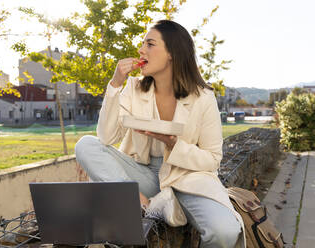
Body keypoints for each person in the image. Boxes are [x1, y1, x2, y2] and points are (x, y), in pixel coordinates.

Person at [75, 20, 245, 248]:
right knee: (86, 145)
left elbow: (212, 158)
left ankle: (159, 203)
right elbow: (106, 137)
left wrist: (174, 145)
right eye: (142, 44)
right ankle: (139, 204)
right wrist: (115, 84)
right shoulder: (133, 87)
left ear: (172, 53)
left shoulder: (203, 97)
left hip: (186, 178)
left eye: (150, 44)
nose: (141, 50)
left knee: (225, 232)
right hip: (140, 176)